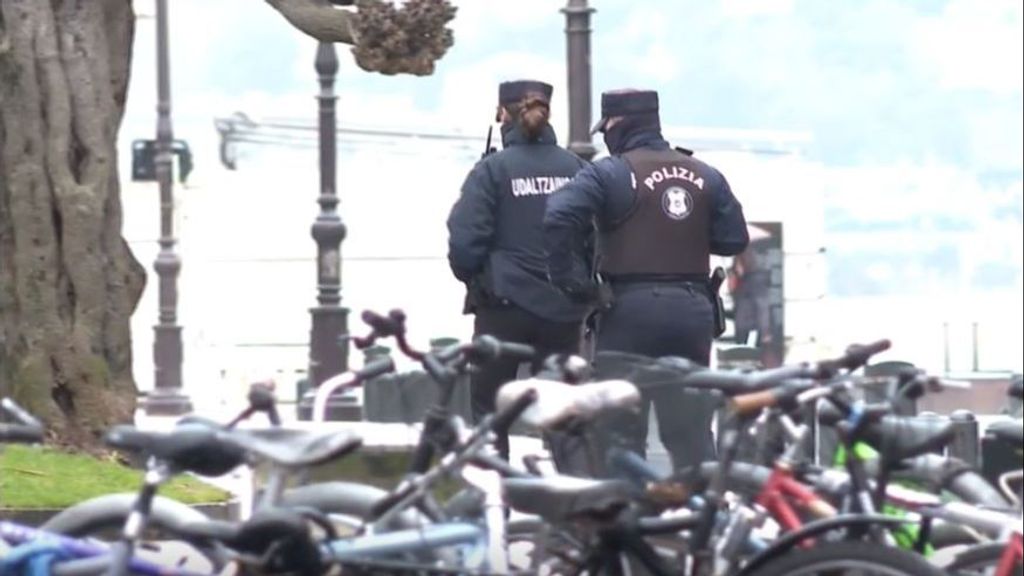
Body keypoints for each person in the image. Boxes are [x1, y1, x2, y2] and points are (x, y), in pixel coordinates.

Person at [543, 89, 750, 472]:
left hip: (628, 313)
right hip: (692, 312)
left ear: (619, 125)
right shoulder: (705, 174)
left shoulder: (610, 172)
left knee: (620, 433)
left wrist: (575, 284)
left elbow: (558, 215)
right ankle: (704, 520)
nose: (605, 137)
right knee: (691, 434)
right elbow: (733, 239)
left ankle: (631, 523)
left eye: (606, 129)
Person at [446, 79, 591, 463]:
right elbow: (594, 237)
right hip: (563, 312)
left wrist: (476, 277)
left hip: (502, 309)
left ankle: (497, 504)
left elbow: (464, 242)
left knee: (490, 415)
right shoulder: (576, 168)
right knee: (563, 413)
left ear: (502, 114)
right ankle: (570, 501)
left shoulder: (492, 170)